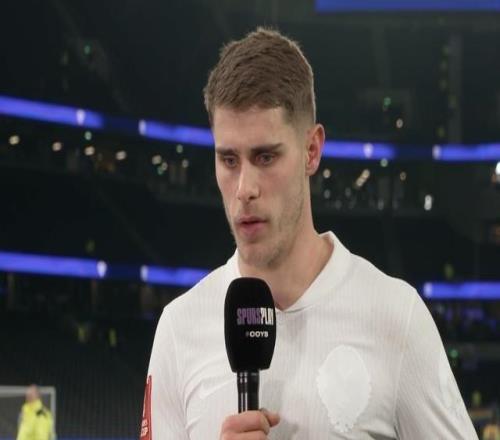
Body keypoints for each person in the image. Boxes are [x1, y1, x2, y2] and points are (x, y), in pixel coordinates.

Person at [143, 27, 478, 439]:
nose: (244, 188)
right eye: (228, 160)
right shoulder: (179, 329)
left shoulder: (397, 316)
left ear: (312, 150)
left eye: (265, 157)